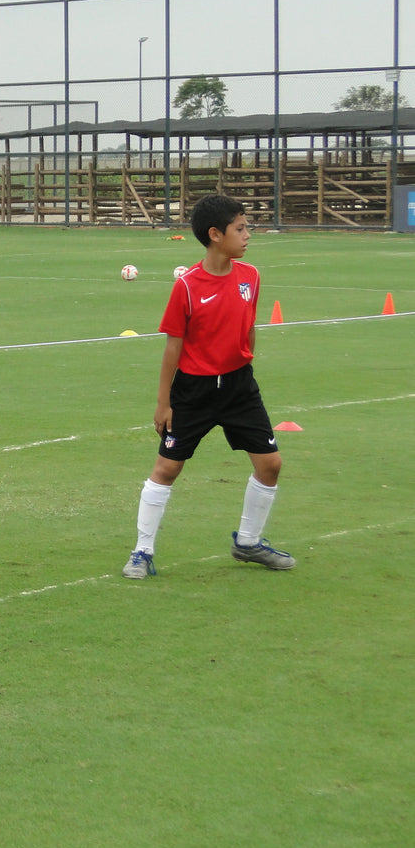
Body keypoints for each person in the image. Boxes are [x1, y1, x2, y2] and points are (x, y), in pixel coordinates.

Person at [123, 193, 296, 580]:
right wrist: (163, 402)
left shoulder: (250, 276)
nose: (248, 234)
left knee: (271, 464)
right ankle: (142, 551)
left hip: (239, 387)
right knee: (167, 469)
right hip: (193, 391)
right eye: (241, 228)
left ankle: (248, 542)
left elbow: (248, 327)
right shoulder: (186, 286)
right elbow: (173, 346)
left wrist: (244, 359)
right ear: (216, 235)